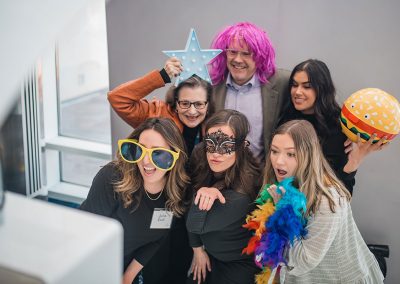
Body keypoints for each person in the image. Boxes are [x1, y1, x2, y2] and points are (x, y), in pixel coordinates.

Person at [264, 119, 384, 283]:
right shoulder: (282, 186)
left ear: (308, 155)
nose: (278, 161)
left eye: (291, 154)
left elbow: (303, 260)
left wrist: (284, 212)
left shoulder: (327, 200)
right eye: (274, 151)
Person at [80, 118, 190, 284]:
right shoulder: (112, 177)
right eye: (140, 150)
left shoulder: (176, 193)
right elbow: (89, 234)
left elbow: (156, 239)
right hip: (88, 263)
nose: (146, 161)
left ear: (175, 157)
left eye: (158, 153)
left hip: (122, 267)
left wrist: (128, 277)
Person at [278, 59, 387, 194]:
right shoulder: (285, 118)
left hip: (320, 205)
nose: (297, 92)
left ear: (322, 88)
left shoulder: (340, 127)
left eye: (307, 86)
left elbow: (343, 190)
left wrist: (356, 159)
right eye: (294, 85)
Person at [186, 109, 261, 284]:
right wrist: (197, 249)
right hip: (209, 253)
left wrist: (202, 192)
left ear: (241, 146)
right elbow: (189, 204)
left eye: (226, 145)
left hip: (238, 263)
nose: (215, 153)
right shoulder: (201, 157)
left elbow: (194, 223)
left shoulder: (243, 191)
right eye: (210, 143)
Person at [209, 22, 290, 160]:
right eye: (232, 52)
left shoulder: (282, 82)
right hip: (221, 175)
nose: (238, 59)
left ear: (260, 56)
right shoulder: (212, 84)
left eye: (246, 54)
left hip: (262, 176)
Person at [108, 58, 212, 155]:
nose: (192, 111)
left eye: (199, 104)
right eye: (185, 103)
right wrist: (162, 76)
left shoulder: (215, 126)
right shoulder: (156, 114)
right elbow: (117, 98)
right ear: (176, 103)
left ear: (208, 104)